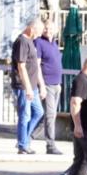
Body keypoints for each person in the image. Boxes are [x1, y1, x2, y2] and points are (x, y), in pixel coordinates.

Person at [12, 17, 45, 156]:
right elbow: (21, 66)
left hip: (33, 86)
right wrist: (28, 88)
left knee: (39, 112)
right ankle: (22, 145)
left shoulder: (31, 41)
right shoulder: (22, 42)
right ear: (32, 28)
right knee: (24, 115)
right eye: (38, 32)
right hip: (23, 86)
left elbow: (35, 66)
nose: (39, 35)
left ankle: (24, 139)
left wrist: (40, 86)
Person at [34, 22, 62, 155]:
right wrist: (42, 86)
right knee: (50, 115)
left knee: (50, 115)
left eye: (51, 28)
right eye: (46, 28)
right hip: (47, 84)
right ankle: (50, 145)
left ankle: (30, 135)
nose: (48, 30)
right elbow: (37, 65)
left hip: (56, 84)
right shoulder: (39, 42)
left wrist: (59, 84)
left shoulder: (55, 43)